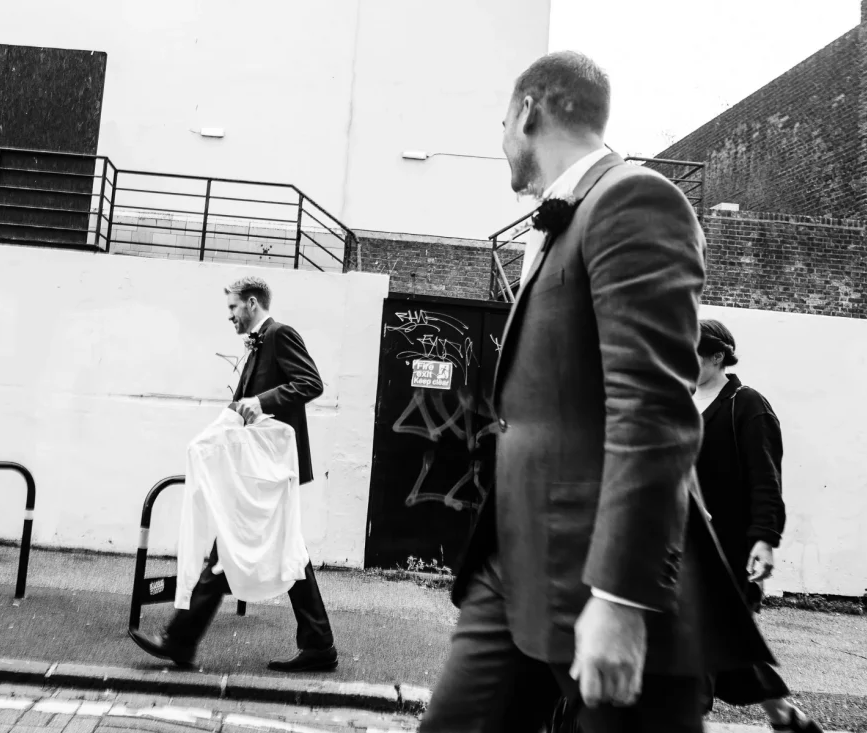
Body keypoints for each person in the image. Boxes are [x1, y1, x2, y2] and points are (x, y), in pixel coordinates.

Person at [420, 51, 773, 733]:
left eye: (502, 122)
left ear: (528, 111)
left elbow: (653, 412)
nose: (501, 141)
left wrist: (621, 596)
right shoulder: (564, 217)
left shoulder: (634, 199)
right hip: (513, 564)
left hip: (595, 576)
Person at [128, 276, 337, 673]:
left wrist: (261, 400)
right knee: (274, 550)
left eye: (232, 308)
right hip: (257, 469)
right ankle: (317, 644)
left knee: (240, 551)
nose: (230, 317)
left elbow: (310, 383)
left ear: (252, 303)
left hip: (271, 470)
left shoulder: (279, 335)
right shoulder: (259, 344)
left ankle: (181, 641)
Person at [693, 319, 822, 733]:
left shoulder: (746, 405)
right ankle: (783, 716)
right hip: (685, 545)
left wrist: (765, 539)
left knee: (706, 638)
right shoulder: (679, 401)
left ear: (717, 356)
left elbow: (766, 480)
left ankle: (688, 719)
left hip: (730, 548)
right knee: (724, 640)